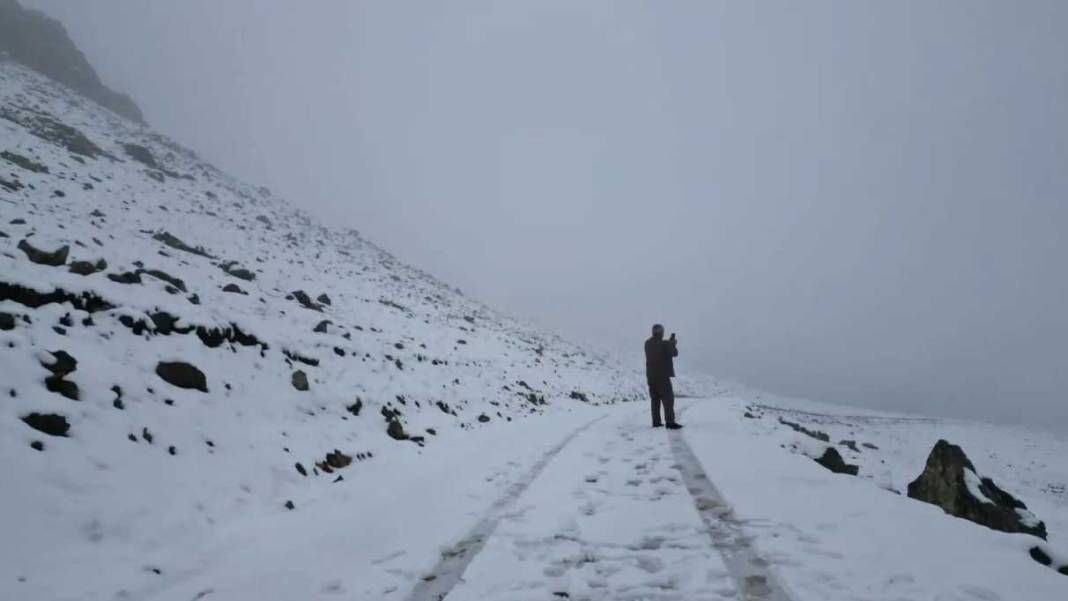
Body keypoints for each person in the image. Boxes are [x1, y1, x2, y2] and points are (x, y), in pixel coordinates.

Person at [644, 323, 681, 429]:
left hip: (651, 376)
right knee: (668, 399)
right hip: (662, 376)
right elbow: (674, 353)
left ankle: (656, 422)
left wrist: (669, 343)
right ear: (661, 332)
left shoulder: (647, 343)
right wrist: (672, 343)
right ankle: (670, 422)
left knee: (655, 400)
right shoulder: (665, 344)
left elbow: (659, 350)